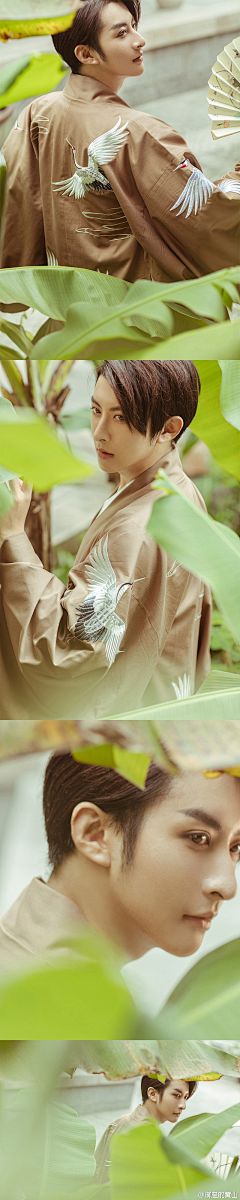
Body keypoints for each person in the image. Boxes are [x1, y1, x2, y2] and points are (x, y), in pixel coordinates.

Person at [0, 359, 212, 718]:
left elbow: (64, 651)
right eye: (96, 410)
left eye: (120, 417)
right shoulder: (178, 489)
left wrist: (12, 536)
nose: (98, 432)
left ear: (168, 428)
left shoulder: (133, 530)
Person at [1, 0, 239, 280]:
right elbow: (209, 222)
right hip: (139, 307)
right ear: (86, 54)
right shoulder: (137, 132)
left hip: (73, 304)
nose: (140, 40)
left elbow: (19, 200)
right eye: (121, 33)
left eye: (134, 26)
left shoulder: (38, 112)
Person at [0, 752, 239, 969]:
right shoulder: (57, 1006)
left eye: (236, 847)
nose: (228, 887)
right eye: (198, 838)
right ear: (95, 834)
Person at [94, 1076, 198, 1184]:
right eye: (177, 1095)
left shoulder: (120, 1121)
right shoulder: (150, 1139)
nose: (183, 1105)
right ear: (153, 1094)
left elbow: (96, 1168)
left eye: (185, 1097)